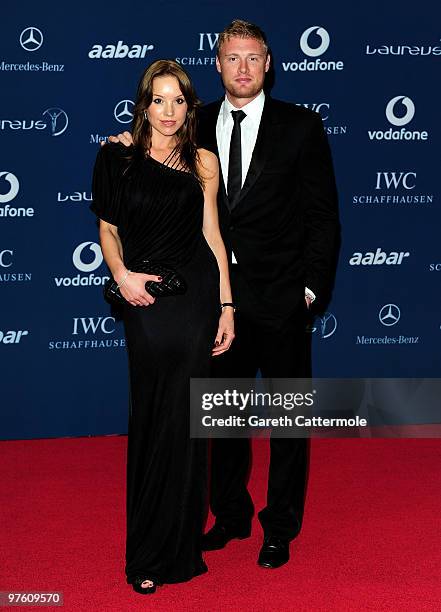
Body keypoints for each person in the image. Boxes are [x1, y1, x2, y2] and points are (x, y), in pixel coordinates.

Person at [110, 19, 340, 570]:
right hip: (214, 302)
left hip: (283, 298)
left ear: (268, 64)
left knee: (286, 423)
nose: (242, 68)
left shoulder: (302, 127)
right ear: (216, 65)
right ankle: (231, 516)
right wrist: (122, 146)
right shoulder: (194, 123)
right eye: (232, 58)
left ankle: (279, 526)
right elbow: (149, 156)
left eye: (253, 58)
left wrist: (309, 290)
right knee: (225, 420)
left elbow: (323, 217)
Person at [91, 59, 234, 595]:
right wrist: (123, 277)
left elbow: (213, 238)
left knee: (188, 424)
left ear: (189, 105)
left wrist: (226, 307)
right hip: (144, 299)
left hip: (196, 298)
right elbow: (108, 229)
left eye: (179, 100)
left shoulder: (203, 162)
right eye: (159, 99)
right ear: (144, 103)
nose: (169, 110)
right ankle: (146, 553)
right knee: (154, 419)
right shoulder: (116, 157)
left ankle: (181, 549)